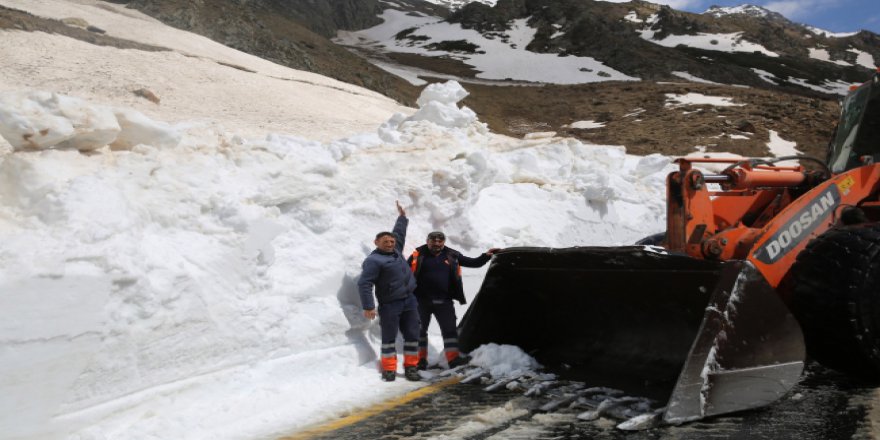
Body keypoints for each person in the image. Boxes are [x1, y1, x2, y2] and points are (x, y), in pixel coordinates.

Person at [407, 231, 500, 369]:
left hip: (444, 302)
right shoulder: (418, 254)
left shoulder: (452, 255)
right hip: (421, 301)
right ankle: (420, 360)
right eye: (433, 241)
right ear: (428, 241)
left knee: (449, 331)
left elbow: (474, 263)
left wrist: (486, 256)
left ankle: (453, 359)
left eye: (440, 241)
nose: (437, 244)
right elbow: (403, 271)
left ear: (443, 242)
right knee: (420, 331)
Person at [357, 201, 421, 382]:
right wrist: (369, 306)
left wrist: (402, 217)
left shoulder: (396, 251)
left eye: (392, 241)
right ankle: (389, 369)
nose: (390, 243)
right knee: (389, 337)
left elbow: (399, 232)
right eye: (385, 241)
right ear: (376, 243)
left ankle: (411, 367)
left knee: (412, 335)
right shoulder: (374, 261)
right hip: (390, 304)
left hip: (409, 301)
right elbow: (364, 283)